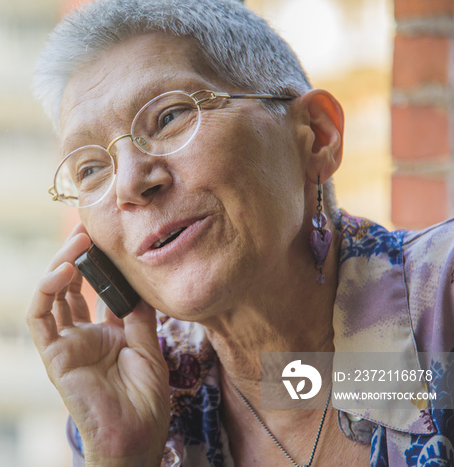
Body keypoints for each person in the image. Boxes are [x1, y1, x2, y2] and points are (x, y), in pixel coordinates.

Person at [25, 0, 454, 465]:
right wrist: (122, 457)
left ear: (317, 135)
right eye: (91, 167)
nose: (129, 183)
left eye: (169, 117)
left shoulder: (444, 303)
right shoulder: (136, 405)